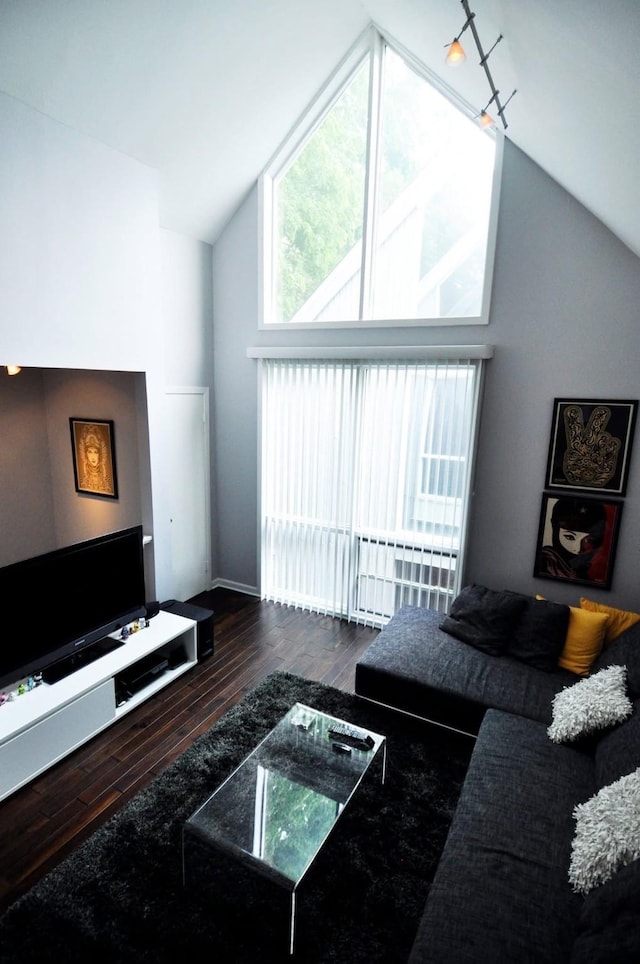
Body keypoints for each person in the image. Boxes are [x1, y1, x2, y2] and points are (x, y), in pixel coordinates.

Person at [538, 497, 607, 582]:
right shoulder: (547, 559)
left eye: (588, 540)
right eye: (570, 537)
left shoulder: (586, 563)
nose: (577, 548)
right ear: (555, 529)